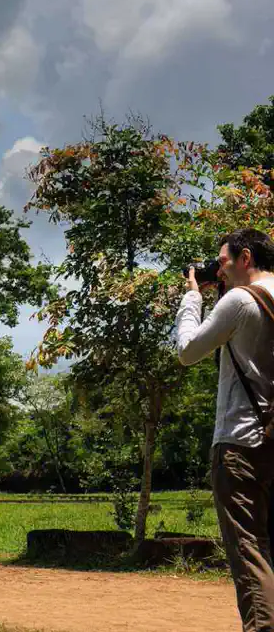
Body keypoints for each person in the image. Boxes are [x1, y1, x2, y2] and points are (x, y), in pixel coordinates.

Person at [176, 228, 274, 632]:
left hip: (241, 444)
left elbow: (188, 351)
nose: (219, 268)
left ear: (245, 258)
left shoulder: (239, 301)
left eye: (224, 261)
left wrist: (192, 297)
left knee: (251, 553)